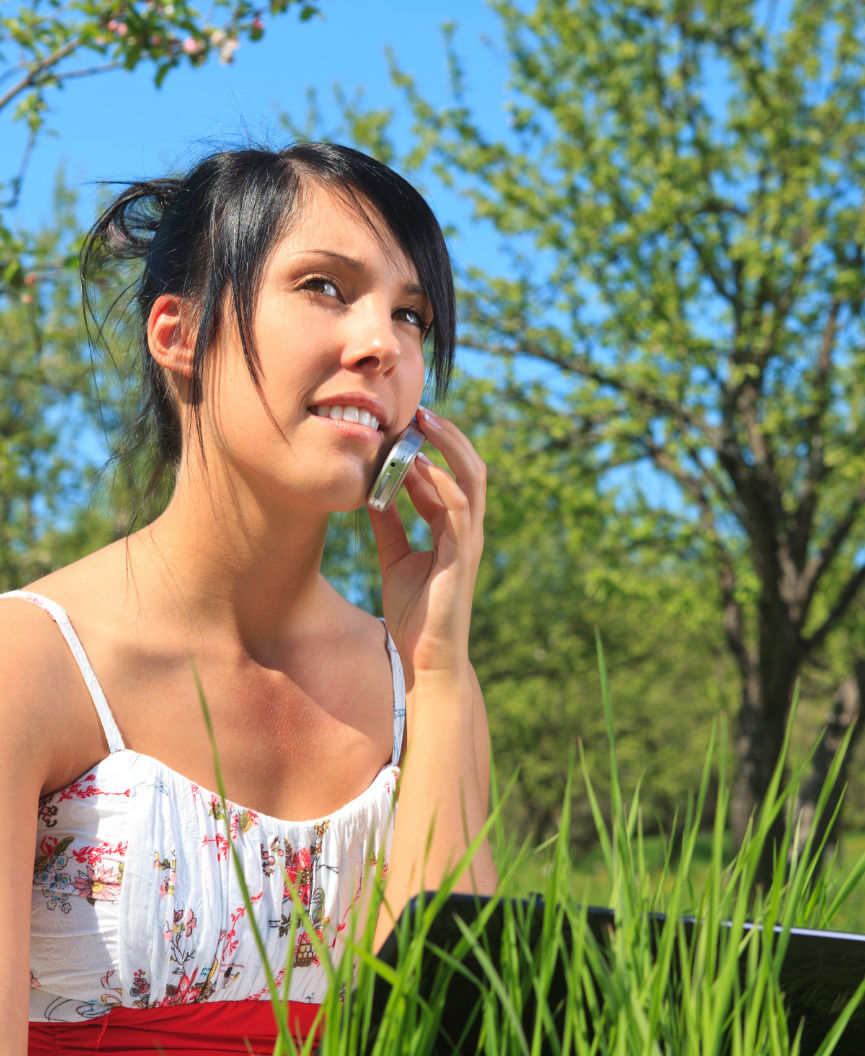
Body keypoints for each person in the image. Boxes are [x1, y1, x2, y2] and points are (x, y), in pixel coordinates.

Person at [0, 142, 496, 1054]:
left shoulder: (423, 690)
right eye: (325, 287)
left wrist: (438, 670)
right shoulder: (28, 665)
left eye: (412, 314)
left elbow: (453, 1033)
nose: (381, 343)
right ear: (177, 336)